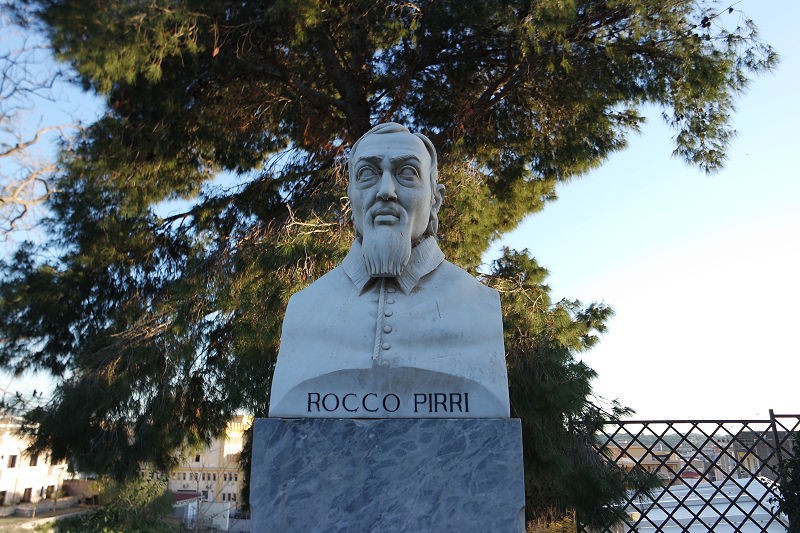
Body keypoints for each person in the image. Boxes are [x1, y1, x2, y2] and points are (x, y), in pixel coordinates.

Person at [269, 123, 510, 418]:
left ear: (435, 199)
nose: (385, 191)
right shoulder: (305, 307)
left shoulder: (478, 305)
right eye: (367, 174)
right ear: (351, 196)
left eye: (407, 173)